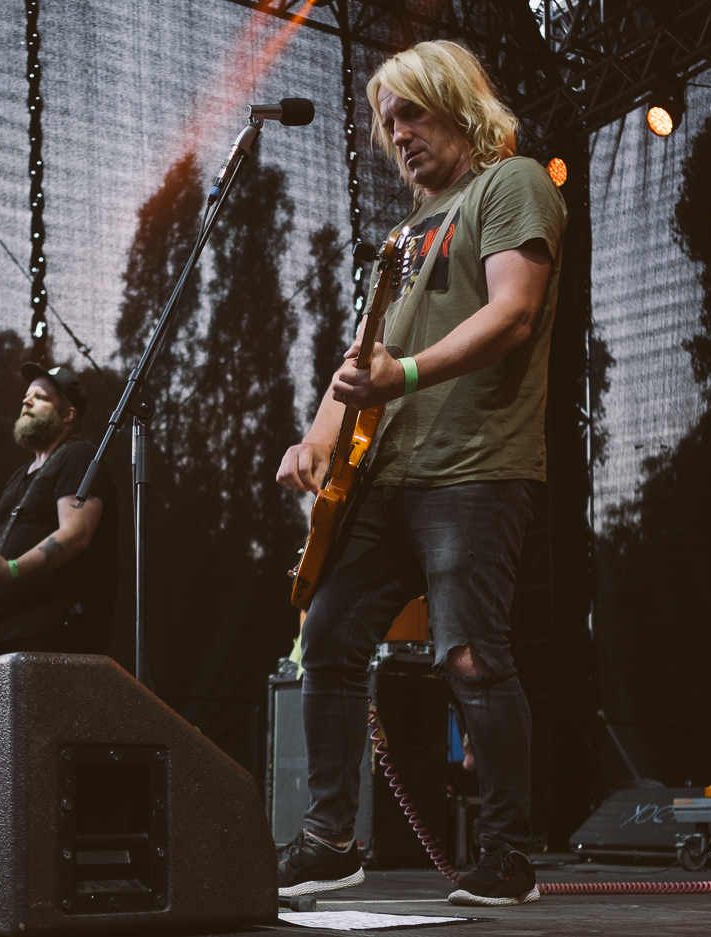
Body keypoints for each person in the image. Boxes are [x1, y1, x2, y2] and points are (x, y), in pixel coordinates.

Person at [274, 40, 566, 907]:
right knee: (327, 638)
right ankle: (330, 840)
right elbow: (365, 357)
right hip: (385, 478)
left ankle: (508, 855)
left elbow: (513, 313)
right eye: (387, 119)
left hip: (476, 467)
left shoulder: (510, 185)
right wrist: (316, 439)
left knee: (469, 653)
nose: (397, 132)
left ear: (456, 104)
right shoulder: (402, 236)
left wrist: (399, 377)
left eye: (412, 111)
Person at [0, 363, 119, 660]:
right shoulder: (21, 475)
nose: (26, 401)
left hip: (46, 631)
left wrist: (11, 570)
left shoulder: (78, 456)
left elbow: (76, 534)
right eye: (26, 396)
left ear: (68, 415)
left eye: (40, 397)